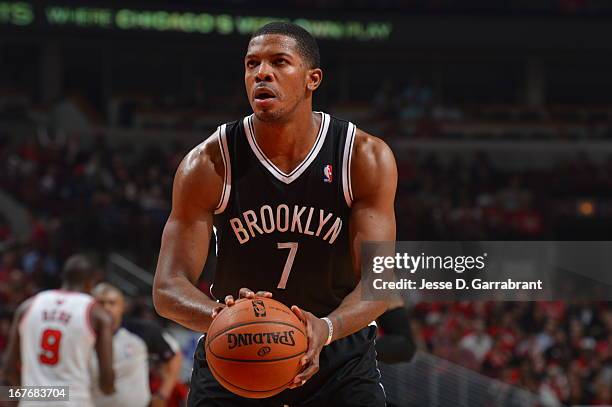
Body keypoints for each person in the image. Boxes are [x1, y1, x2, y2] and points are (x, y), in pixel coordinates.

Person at [153, 21, 398, 406]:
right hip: (237, 351)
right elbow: (168, 288)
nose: (262, 73)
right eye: (252, 65)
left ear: (312, 79)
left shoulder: (362, 157)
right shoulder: (208, 163)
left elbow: (380, 282)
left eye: (279, 62)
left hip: (338, 356)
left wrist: (327, 328)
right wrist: (225, 317)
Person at [2, 254, 115, 406]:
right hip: (74, 400)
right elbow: (107, 381)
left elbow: (9, 368)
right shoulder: (96, 313)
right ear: (91, 282)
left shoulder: (28, 306)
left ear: (63, 277)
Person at [92, 283, 183, 407]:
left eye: (112, 303)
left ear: (123, 307)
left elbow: (175, 356)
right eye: (101, 303)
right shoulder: (81, 335)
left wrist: (163, 395)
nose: (106, 308)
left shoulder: (143, 330)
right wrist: (59, 399)